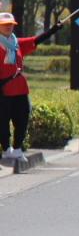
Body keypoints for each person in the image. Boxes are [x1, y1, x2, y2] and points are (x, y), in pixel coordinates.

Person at [0, 12, 63, 161]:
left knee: (22, 119)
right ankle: (6, 148)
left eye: (10, 25)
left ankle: (17, 149)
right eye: (4, 25)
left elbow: (36, 40)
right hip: (3, 91)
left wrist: (53, 30)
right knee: (2, 121)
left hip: (21, 89)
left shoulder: (16, 43)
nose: (8, 27)